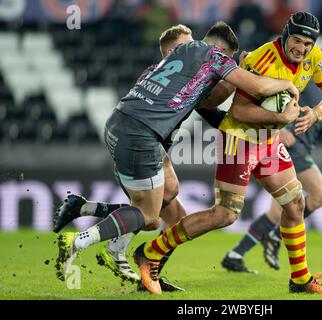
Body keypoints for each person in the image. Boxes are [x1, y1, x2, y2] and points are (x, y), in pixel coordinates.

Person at [55, 21, 300, 295]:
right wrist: (284, 86)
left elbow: (209, 110)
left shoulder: (173, 65)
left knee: (173, 213)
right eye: (227, 62)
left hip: (122, 127)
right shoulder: (211, 55)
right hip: (142, 136)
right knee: (148, 216)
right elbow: (255, 86)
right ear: (222, 52)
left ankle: (134, 257)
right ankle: (79, 240)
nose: (225, 71)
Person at [135, 12, 322, 295]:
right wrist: (282, 118)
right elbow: (239, 111)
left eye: (307, 43)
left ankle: (300, 279)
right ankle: (150, 252)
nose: (302, 48)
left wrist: (315, 114)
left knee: (295, 205)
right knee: (225, 215)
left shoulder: (314, 57)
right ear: (285, 35)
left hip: (268, 141)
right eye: (296, 40)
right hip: (240, 140)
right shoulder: (261, 59)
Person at [221, 31, 322, 273]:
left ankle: (237, 253)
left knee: (280, 209)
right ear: (321, 50)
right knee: (319, 194)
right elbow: (279, 99)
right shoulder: (305, 72)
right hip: (290, 143)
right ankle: (277, 238)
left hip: (305, 145)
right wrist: (282, 126)